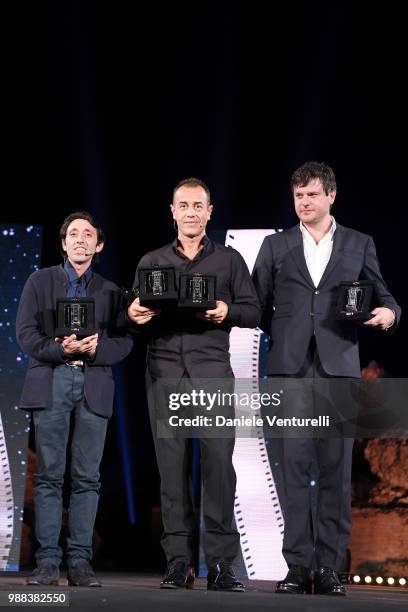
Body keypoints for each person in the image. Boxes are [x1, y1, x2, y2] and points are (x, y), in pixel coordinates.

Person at [252, 161, 401, 596]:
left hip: (338, 368)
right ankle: (298, 566)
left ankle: (330, 568)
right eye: (298, 196)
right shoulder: (275, 246)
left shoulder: (359, 243)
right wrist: (288, 334)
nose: (304, 202)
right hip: (290, 370)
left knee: (335, 470)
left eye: (312, 195)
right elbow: (259, 305)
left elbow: (386, 297)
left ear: (331, 196)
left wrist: (389, 315)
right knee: (293, 469)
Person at [127, 178, 260, 591]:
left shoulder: (230, 260)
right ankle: (178, 562)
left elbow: (254, 311)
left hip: (212, 373)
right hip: (164, 372)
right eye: (183, 205)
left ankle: (220, 564)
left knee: (220, 468)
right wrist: (133, 313)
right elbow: (131, 316)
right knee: (171, 472)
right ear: (172, 211)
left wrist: (226, 309)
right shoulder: (151, 260)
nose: (190, 212)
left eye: (197, 205)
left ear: (209, 211)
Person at [16, 212, 133, 587]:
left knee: (87, 478)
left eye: (88, 234)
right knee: (48, 476)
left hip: (93, 385)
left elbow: (125, 341)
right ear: (63, 243)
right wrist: (58, 348)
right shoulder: (41, 281)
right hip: (51, 382)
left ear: (99, 245)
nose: (80, 239)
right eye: (73, 234)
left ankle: (80, 562)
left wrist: (97, 349)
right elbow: (25, 334)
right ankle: (48, 561)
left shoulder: (112, 291)